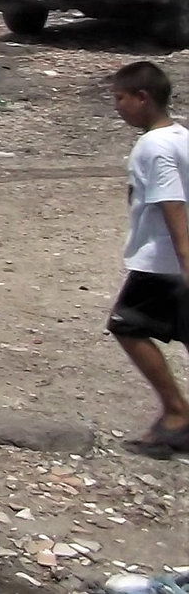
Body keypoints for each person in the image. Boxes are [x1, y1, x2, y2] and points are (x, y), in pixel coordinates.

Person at [105, 60, 189, 456]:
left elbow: (172, 203)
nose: (118, 107)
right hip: (173, 259)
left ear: (143, 97)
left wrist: (186, 262)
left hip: (162, 260)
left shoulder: (153, 146)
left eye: (121, 98)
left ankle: (176, 413)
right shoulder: (181, 136)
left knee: (127, 325)